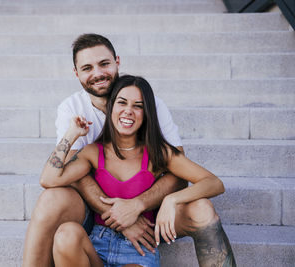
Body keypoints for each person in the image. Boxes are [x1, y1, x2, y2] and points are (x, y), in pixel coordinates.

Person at [22, 33, 234, 267]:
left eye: (104, 63)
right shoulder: (79, 124)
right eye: (87, 67)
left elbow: (185, 176)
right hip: (97, 226)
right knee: (57, 214)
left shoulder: (157, 142)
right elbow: (52, 178)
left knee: (203, 208)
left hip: (144, 234)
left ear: (117, 62)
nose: (98, 73)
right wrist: (71, 135)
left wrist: (154, 203)